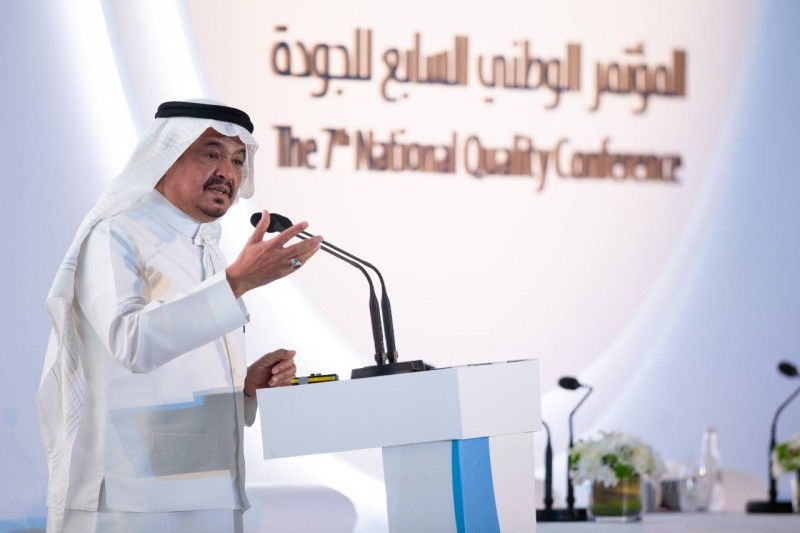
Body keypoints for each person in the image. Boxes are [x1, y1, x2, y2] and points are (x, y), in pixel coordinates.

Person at [37, 100, 323, 533]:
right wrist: (235, 283)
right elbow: (131, 344)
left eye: (238, 160)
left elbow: (181, 366)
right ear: (167, 155)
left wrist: (246, 387)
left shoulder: (209, 248)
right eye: (211, 153)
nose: (227, 172)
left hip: (213, 490)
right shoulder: (116, 233)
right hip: (131, 500)